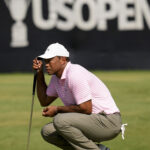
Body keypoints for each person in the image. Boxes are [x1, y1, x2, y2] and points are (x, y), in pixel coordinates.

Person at [32, 43, 122, 150]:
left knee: (60, 120)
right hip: (91, 120)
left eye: (50, 60)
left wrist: (57, 109)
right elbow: (44, 101)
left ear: (63, 60)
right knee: (48, 132)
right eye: (45, 61)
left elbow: (86, 108)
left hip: (108, 121)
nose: (46, 64)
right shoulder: (56, 78)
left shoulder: (74, 73)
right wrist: (39, 73)